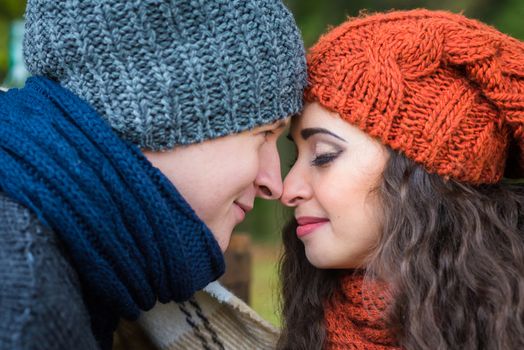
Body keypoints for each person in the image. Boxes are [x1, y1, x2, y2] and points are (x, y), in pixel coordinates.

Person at [0, 0, 306, 349]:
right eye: (264, 134)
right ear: (153, 117)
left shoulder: (76, 261)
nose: (274, 183)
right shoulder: (25, 312)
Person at [278, 9, 524, 350]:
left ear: (422, 176)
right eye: (296, 157)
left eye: (323, 155)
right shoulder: (308, 329)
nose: (287, 190)